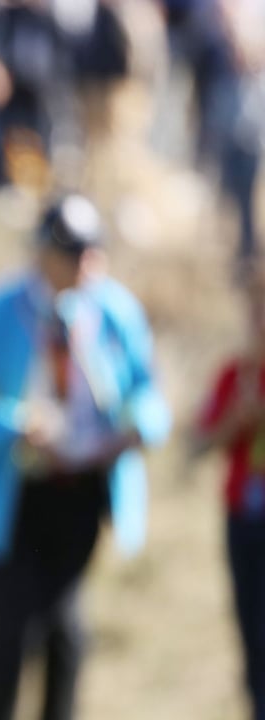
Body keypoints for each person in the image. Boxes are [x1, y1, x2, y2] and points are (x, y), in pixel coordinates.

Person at [0, 193, 170, 720]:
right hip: (15, 494)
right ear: (43, 253)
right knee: (11, 632)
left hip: (83, 490)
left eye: (95, 252)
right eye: (75, 253)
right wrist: (18, 423)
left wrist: (138, 429)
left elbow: (149, 395)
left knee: (66, 627)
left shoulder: (113, 310)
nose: (88, 265)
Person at [192, 263, 265, 720]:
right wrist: (236, 421)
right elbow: (200, 442)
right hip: (244, 516)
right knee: (252, 632)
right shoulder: (234, 375)